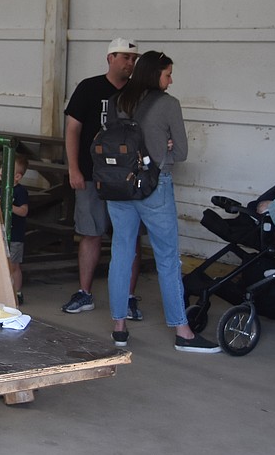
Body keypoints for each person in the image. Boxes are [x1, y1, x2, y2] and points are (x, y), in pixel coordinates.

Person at [107, 51, 219, 352]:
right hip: (154, 186)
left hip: (119, 186)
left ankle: (119, 327)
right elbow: (180, 152)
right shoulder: (168, 104)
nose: (171, 80)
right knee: (167, 258)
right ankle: (183, 332)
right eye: (168, 74)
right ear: (155, 74)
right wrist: (164, 149)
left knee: (121, 252)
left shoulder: (119, 101)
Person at [62, 37, 144, 317]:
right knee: (90, 232)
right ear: (110, 58)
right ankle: (85, 293)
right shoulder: (89, 88)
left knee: (130, 237)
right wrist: (74, 168)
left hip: (129, 178)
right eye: (125, 57)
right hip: (91, 173)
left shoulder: (140, 93)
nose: (130, 63)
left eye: (133, 59)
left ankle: (129, 297)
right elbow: (73, 128)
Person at [3, 154, 30, 303]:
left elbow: (24, 211)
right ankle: (5, 290)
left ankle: (17, 292)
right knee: (4, 263)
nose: (1, 171)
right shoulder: (2, 190)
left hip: (15, 235)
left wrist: (9, 207)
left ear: (17, 176)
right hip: (2, 232)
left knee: (14, 265)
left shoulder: (20, 192)